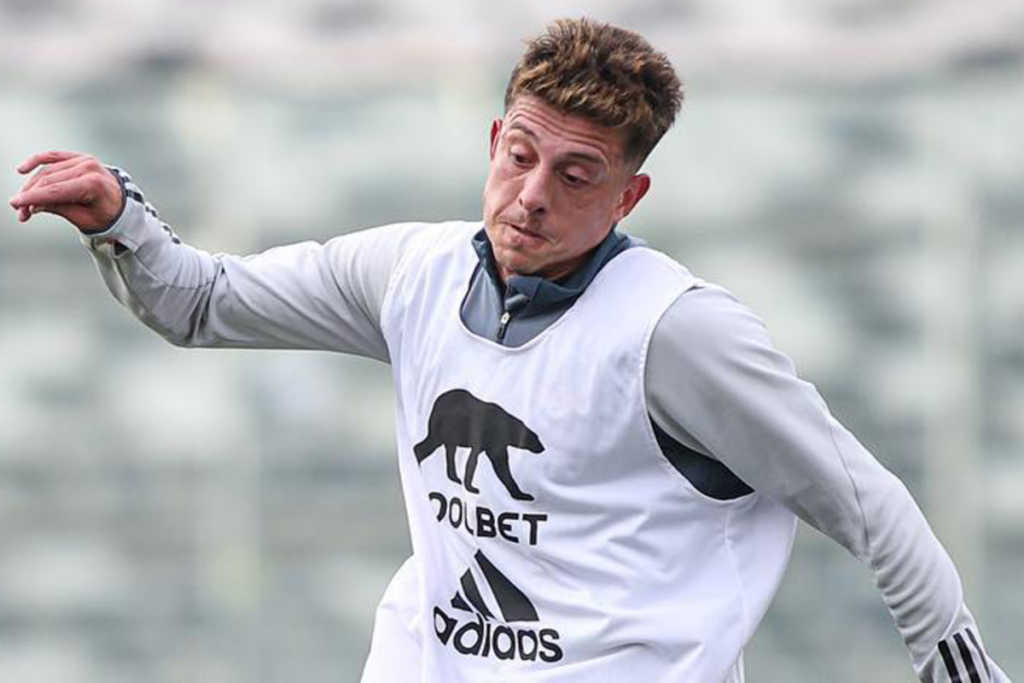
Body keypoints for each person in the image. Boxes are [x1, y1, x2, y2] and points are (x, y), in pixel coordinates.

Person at [8, 17, 1010, 683]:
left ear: (628, 197)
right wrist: (119, 223)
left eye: (576, 175)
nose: (532, 192)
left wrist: (945, 646)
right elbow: (199, 301)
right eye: (521, 155)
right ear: (494, 141)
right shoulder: (412, 272)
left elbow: (859, 494)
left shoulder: (677, 333)